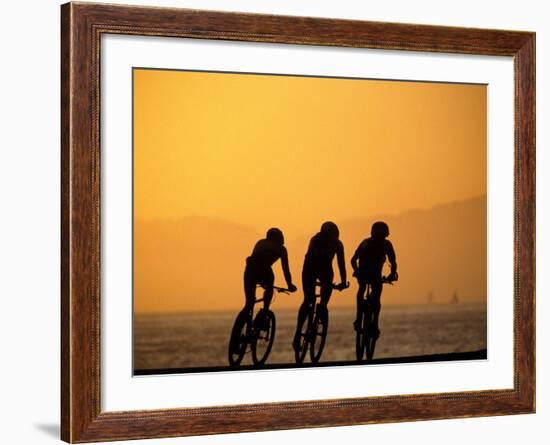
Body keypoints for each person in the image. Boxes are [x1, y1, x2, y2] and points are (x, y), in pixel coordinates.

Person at [293, 221, 348, 351]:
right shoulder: (316, 239)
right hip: (310, 268)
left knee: (322, 301)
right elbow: (311, 258)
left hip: (325, 270)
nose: (332, 238)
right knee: (308, 299)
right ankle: (298, 334)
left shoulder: (337, 244)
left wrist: (344, 281)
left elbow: (341, 264)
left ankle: (322, 308)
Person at [351, 221, 398, 339]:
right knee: (376, 297)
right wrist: (392, 274)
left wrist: (356, 270)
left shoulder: (365, 242)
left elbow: (353, 260)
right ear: (386, 234)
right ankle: (374, 324)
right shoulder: (387, 244)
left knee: (362, 289)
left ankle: (358, 318)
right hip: (374, 275)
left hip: (363, 274)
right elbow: (393, 262)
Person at [243, 228, 297, 314]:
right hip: (264, 270)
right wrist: (289, 285)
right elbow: (285, 269)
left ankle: (237, 326)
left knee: (248, 304)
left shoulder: (260, 242)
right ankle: (265, 311)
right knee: (269, 287)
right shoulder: (281, 249)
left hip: (249, 269)